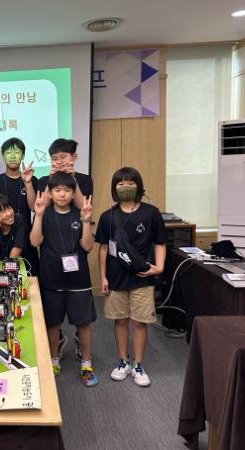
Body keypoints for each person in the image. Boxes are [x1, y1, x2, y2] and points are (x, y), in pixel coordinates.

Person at [95, 167, 166, 387]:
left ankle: (138, 365)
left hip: (142, 277)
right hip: (115, 278)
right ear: (114, 188)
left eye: (130, 182)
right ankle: (123, 361)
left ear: (139, 185)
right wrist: (103, 277)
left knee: (139, 322)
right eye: (120, 183)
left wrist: (159, 267)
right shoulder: (107, 216)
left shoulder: (151, 213)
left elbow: (160, 242)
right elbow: (103, 248)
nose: (125, 186)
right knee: (120, 320)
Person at [30, 172, 98, 386]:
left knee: (83, 324)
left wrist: (86, 222)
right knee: (53, 324)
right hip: (51, 278)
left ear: (73, 193)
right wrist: (38, 216)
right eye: (57, 190)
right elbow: (35, 241)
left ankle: (86, 364)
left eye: (67, 190)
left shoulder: (80, 213)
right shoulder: (44, 214)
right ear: (50, 193)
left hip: (79, 280)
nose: (62, 194)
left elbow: (88, 246)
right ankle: (53, 361)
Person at [0, 137, 39, 274]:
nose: (12, 156)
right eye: (8, 153)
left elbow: (33, 207)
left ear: (23, 155)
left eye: (17, 152)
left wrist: (28, 183)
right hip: (2, 237)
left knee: (29, 278)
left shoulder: (32, 180)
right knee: (2, 278)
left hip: (26, 237)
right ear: (3, 156)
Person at [37, 138, 92, 209]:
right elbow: (42, 207)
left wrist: (72, 178)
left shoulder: (85, 179)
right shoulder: (43, 180)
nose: (59, 161)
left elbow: (83, 207)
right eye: (54, 159)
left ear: (74, 157)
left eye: (63, 157)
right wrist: (51, 179)